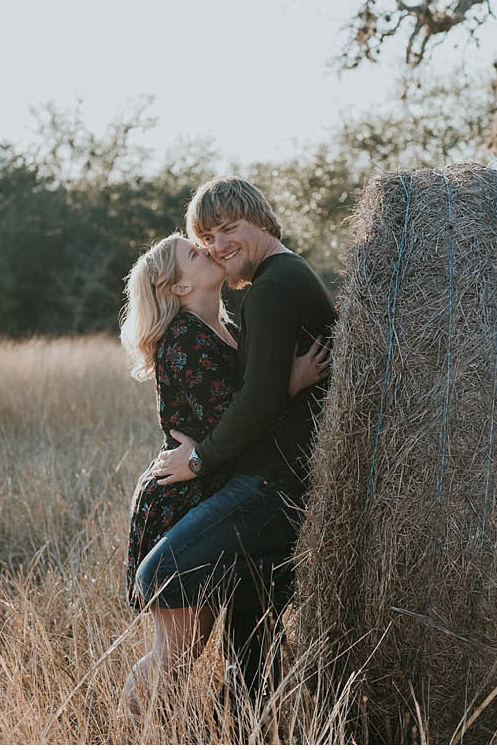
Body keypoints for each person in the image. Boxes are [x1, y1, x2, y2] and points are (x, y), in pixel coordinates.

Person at [137, 177, 338, 707]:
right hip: (254, 476)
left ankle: (244, 716)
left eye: (229, 230)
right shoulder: (267, 287)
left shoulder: (268, 289)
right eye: (205, 237)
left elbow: (255, 399)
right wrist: (282, 387)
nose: (216, 246)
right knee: (247, 629)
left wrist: (200, 457)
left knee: (163, 574)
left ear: (262, 221)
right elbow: (257, 394)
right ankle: (243, 723)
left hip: (269, 480)